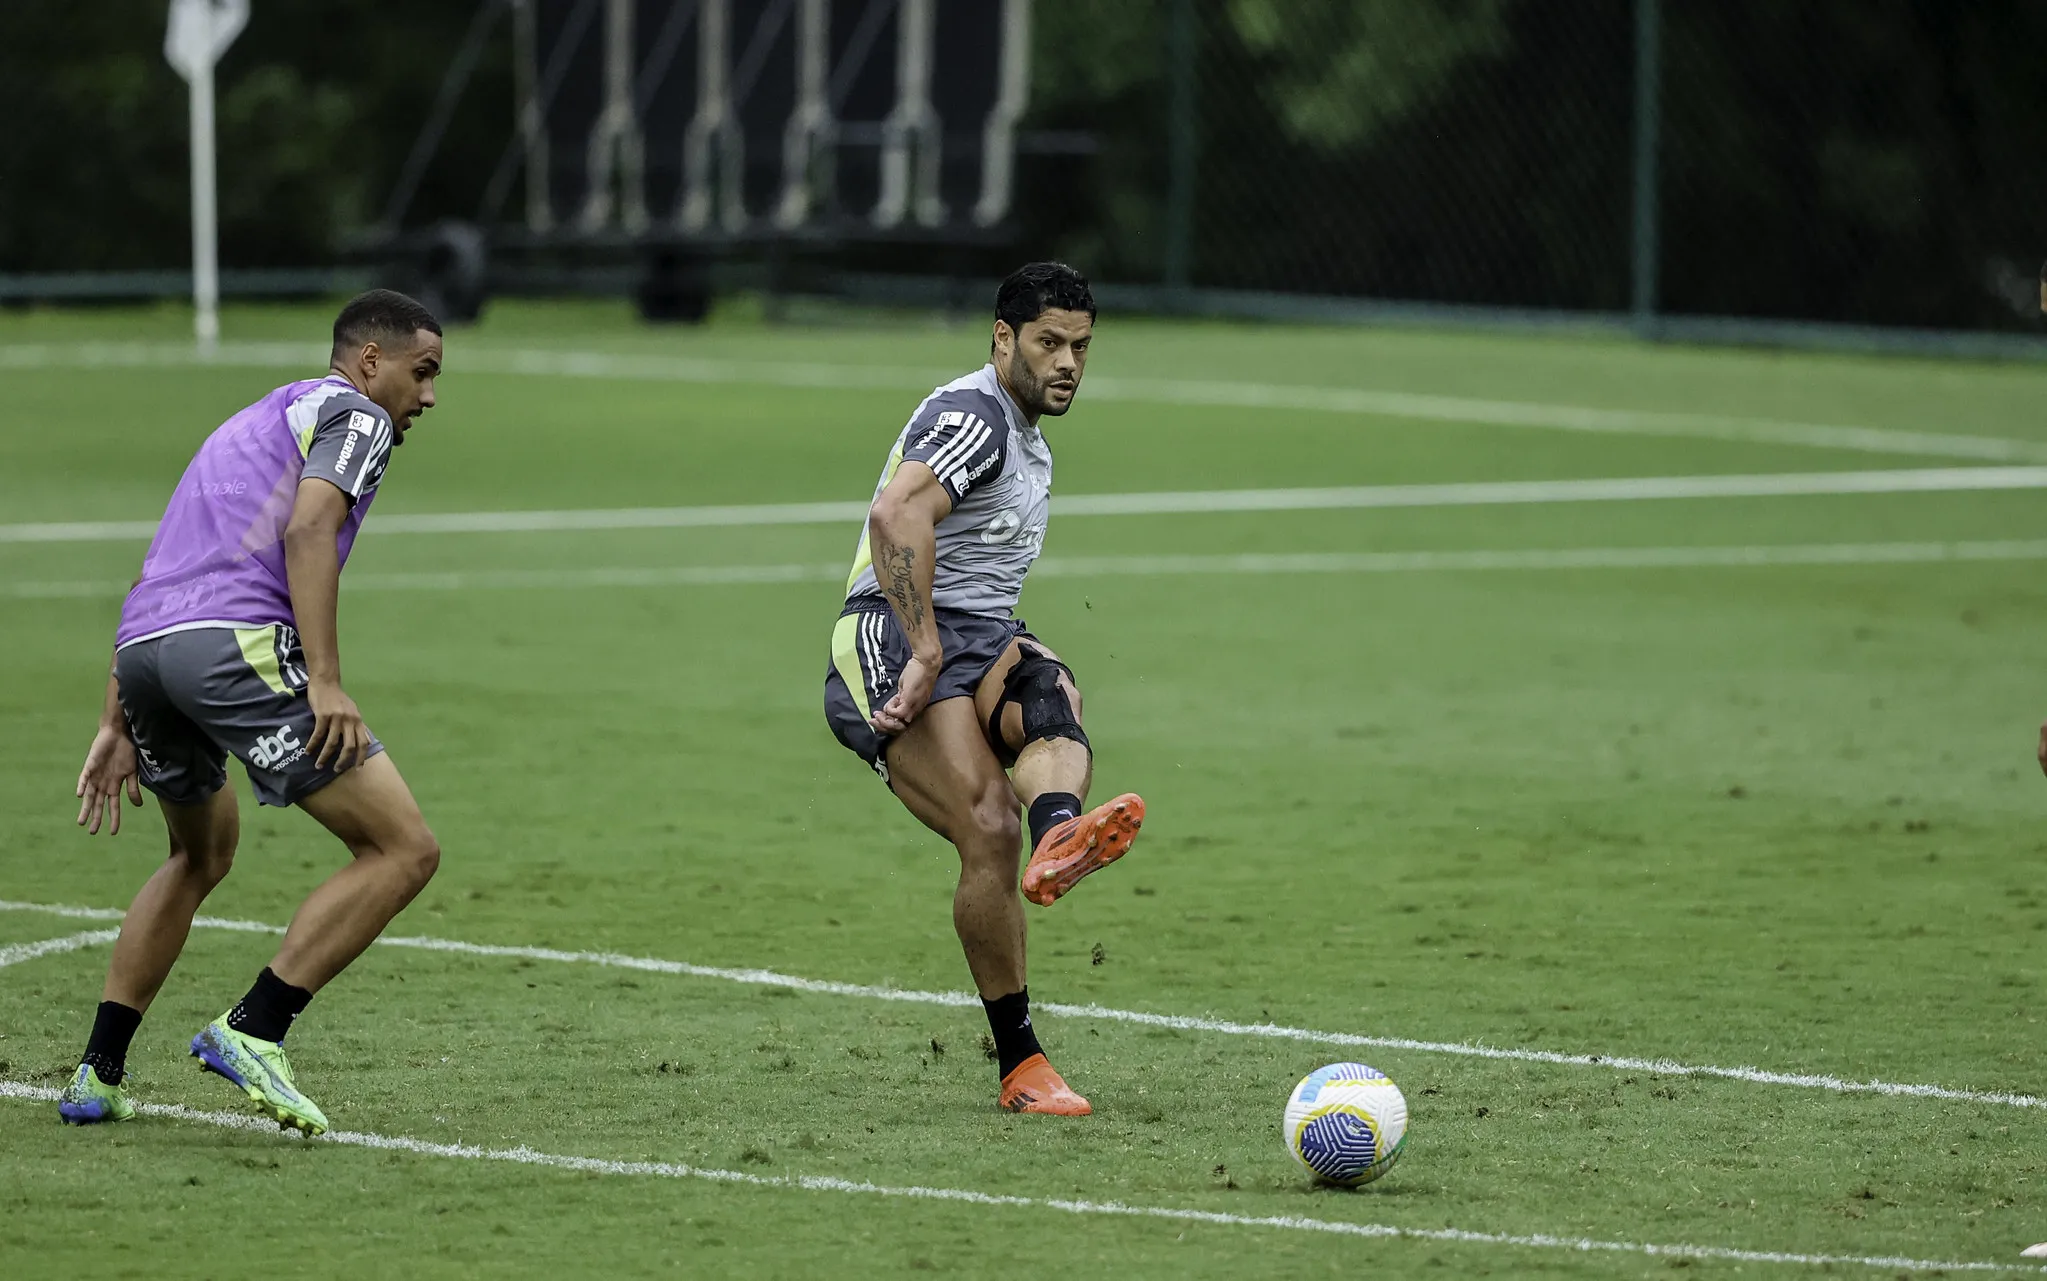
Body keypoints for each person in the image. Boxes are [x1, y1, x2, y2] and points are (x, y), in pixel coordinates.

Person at [60, 289, 446, 1136]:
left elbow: (154, 572)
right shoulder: (356, 417)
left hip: (146, 653)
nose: (427, 398)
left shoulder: (248, 423)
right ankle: (256, 1026)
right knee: (403, 847)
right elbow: (310, 534)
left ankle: (98, 1070)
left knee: (199, 854)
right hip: (230, 646)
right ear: (370, 361)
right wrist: (327, 682)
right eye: (422, 373)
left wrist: (116, 717)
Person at [823, 262, 1144, 1116]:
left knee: (1049, 688)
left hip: (975, 632)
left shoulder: (1024, 434)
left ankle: (1061, 833)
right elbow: (896, 517)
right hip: (892, 634)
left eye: (1080, 345)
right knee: (986, 832)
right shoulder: (977, 417)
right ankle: (1021, 1064)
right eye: (1047, 342)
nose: (1067, 361)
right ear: (1002, 340)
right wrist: (923, 650)